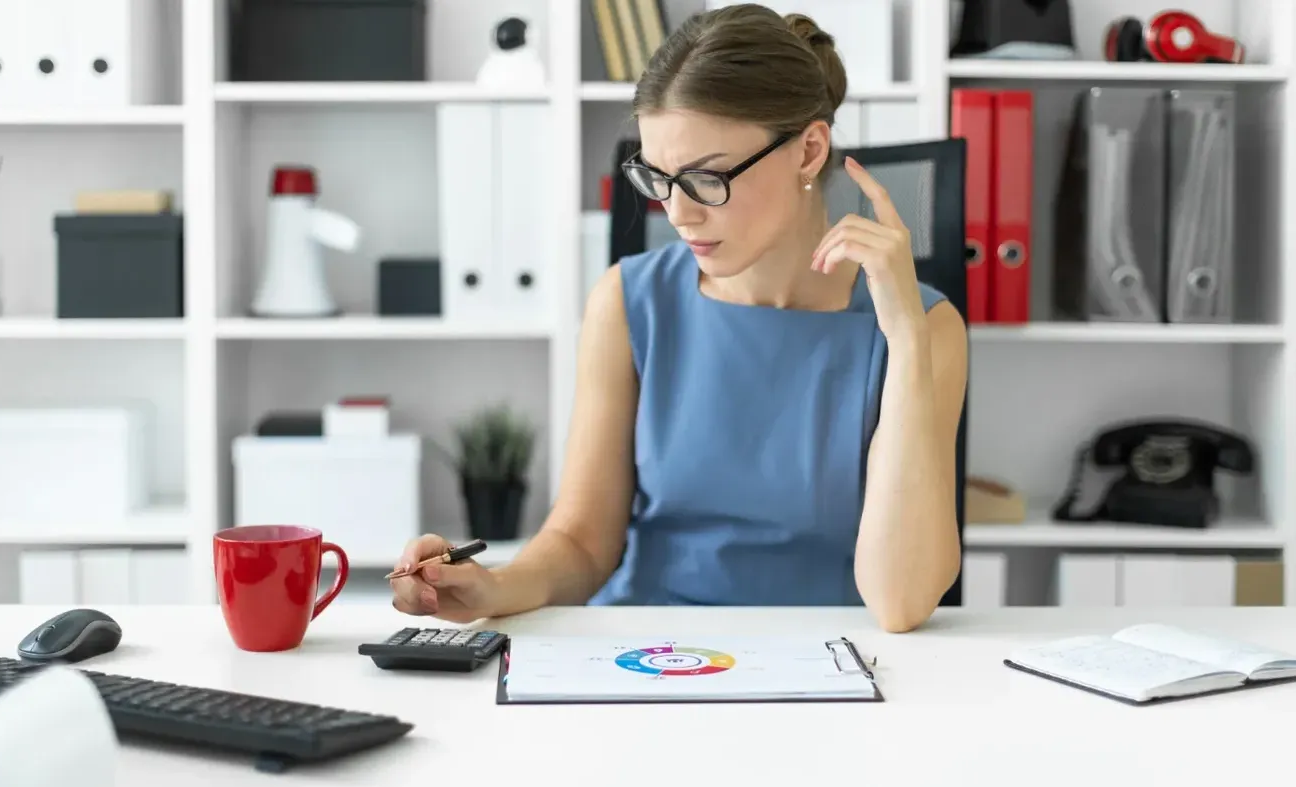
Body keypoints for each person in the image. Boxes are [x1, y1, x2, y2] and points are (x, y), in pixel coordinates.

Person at [391, 4, 968, 632]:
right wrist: (493, 588)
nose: (677, 214)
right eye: (658, 178)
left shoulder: (922, 330)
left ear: (808, 150)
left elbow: (901, 602)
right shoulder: (627, 302)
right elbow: (583, 542)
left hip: (827, 671)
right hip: (646, 661)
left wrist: (906, 340)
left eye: (707, 179)